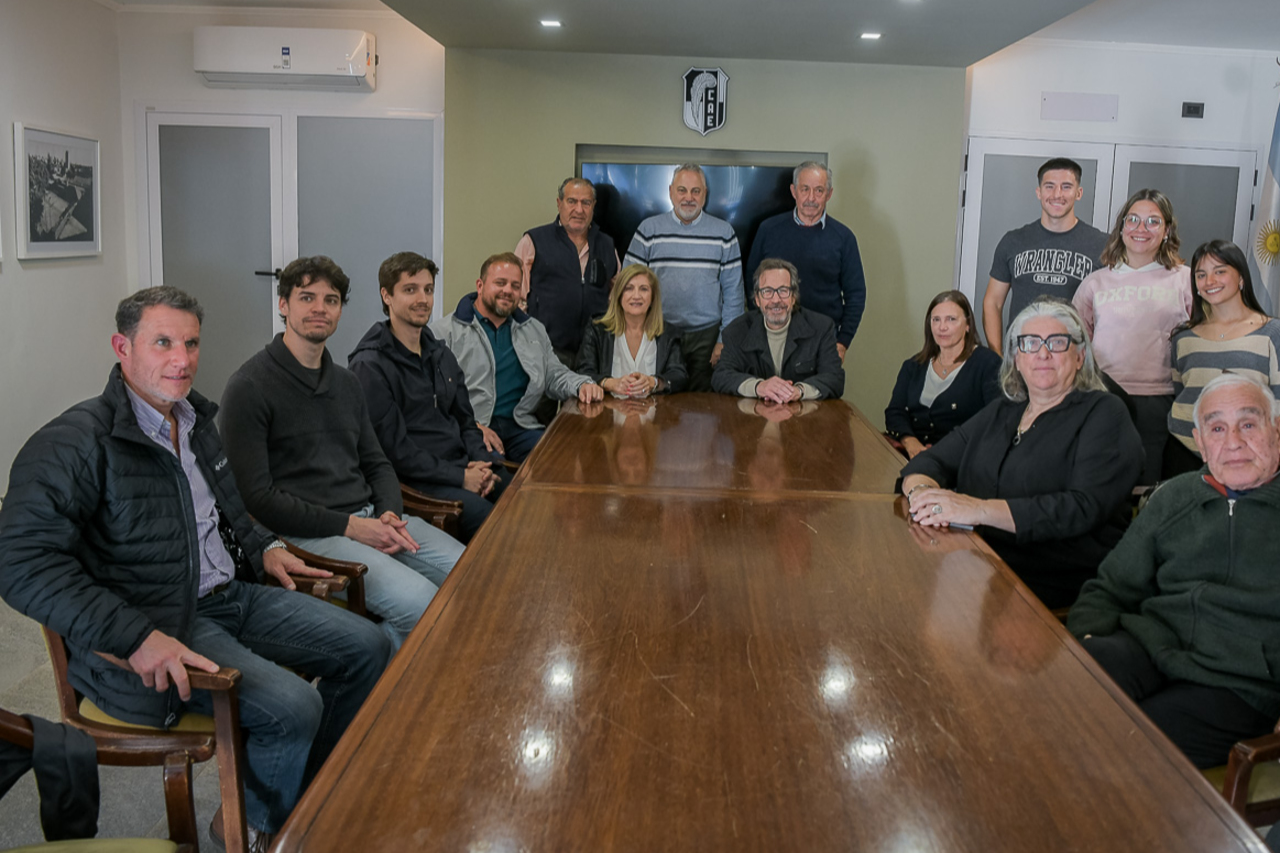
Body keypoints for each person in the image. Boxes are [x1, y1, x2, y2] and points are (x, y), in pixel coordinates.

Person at [0, 287, 390, 846]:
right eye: (162, 343)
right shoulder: (75, 442)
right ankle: (250, 830)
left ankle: (297, 796)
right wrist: (135, 637)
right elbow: (20, 562)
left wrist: (263, 546)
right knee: (294, 707)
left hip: (231, 595)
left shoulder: (195, 419)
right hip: (158, 623)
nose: (181, 360)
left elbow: (223, 509)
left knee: (370, 646)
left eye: (191, 343)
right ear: (122, 347)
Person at [220, 256, 465, 652]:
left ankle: (400, 660)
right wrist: (350, 527)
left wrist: (388, 513)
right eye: (307, 297)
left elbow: (377, 463)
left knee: (473, 573)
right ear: (283, 304)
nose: (320, 308)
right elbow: (255, 498)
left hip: (372, 518)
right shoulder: (248, 387)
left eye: (331, 300)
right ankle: (376, 676)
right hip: (309, 533)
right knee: (425, 605)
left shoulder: (347, 383)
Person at [1069, 373, 1280, 770]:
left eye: (1248, 424)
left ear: (1276, 430)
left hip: (1239, 681)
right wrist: (1088, 637)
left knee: (1128, 742)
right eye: (1217, 428)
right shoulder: (1176, 497)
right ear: (1200, 442)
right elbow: (1110, 586)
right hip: (1152, 645)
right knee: (1072, 685)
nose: (1234, 442)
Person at [900, 298, 1143, 609]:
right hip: (978, 563)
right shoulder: (1004, 409)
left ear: (1080, 356)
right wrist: (924, 497)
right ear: (1016, 358)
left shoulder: (1106, 412)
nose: (1042, 353)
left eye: (1057, 342)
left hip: (1051, 581)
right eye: (1029, 343)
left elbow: (1081, 507)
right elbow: (929, 461)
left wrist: (977, 509)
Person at [349, 252, 510, 544]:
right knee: (498, 527)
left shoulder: (440, 353)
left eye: (428, 289)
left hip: (462, 466)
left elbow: (466, 421)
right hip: (417, 481)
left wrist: (481, 463)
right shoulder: (370, 365)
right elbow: (395, 452)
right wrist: (461, 477)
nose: (423, 299)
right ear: (386, 295)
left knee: (524, 498)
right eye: (410, 290)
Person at [433, 252, 603, 463]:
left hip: (521, 427)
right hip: (472, 428)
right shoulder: (444, 333)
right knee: (493, 473)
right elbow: (434, 397)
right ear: (480, 285)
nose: (508, 291)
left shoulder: (534, 329)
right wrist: (471, 427)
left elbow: (553, 374)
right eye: (500, 283)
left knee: (561, 461)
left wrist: (582, 385)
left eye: (515, 286)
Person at [1072, 189, 1192, 484]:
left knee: (1147, 482)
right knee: (1099, 479)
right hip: (1103, 395)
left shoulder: (1185, 280)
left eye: (1153, 221)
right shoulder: (1095, 282)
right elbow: (1076, 343)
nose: (1141, 228)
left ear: (1167, 230)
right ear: (1122, 227)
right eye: (1133, 219)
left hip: (1159, 399)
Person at [624, 164, 745, 392]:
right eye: (682, 190)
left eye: (695, 191)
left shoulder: (724, 233)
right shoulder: (648, 230)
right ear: (671, 192)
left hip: (707, 337)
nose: (688, 198)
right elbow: (628, 288)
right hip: (658, 333)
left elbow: (734, 293)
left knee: (704, 404)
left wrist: (724, 340)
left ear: (705, 194)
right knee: (660, 399)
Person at [1166, 239, 1280, 476]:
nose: (1210, 281)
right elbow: (1181, 392)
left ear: (1241, 278)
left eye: (1220, 272)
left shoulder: (1272, 333)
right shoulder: (1183, 337)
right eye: (1201, 275)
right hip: (1184, 452)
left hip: (1245, 454)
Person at [983, 158, 1107, 356]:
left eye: (1066, 187)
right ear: (1039, 192)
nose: (1057, 194)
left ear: (1078, 193)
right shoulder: (1013, 241)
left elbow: (1110, 312)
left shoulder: (1101, 244)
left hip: (1072, 358)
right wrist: (996, 356)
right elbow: (993, 302)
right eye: (1049, 186)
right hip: (1020, 355)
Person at [745, 161, 866, 360]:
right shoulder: (768, 230)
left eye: (819, 190)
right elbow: (752, 280)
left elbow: (856, 294)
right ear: (794, 191)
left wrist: (843, 341)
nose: (811, 198)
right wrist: (760, 323)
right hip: (773, 335)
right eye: (805, 189)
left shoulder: (844, 238)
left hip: (824, 340)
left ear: (829, 194)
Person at [514, 177, 621, 365]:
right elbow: (516, 299)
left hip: (594, 355)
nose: (579, 210)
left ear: (593, 206)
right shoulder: (534, 241)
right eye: (572, 201)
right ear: (559, 203)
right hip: (545, 352)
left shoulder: (607, 245)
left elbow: (617, 299)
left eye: (586, 203)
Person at [885, 290, 1001, 458]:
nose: (942, 327)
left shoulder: (988, 363)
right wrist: (910, 442)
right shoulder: (913, 366)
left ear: (967, 325)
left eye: (951, 319)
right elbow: (895, 412)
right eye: (936, 320)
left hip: (963, 460)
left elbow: (994, 420)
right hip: (911, 455)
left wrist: (941, 455)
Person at [711, 258, 845, 401]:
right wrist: (758, 387)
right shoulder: (737, 330)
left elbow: (834, 378)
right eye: (767, 291)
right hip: (753, 413)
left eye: (783, 290)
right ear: (757, 299)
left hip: (803, 412)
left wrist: (799, 391)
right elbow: (720, 376)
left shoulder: (821, 327)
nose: (775, 300)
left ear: (793, 297)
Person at [575, 263, 688, 397]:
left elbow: (679, 376)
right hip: (607, 408)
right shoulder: (597, 330)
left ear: (653, 297)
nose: (636, 296)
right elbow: (583, 372)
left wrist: (654, 382)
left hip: (655, 408)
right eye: (629, 288)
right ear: (619, 295)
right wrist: (610, 383)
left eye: (644, 289)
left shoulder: (668, 333)